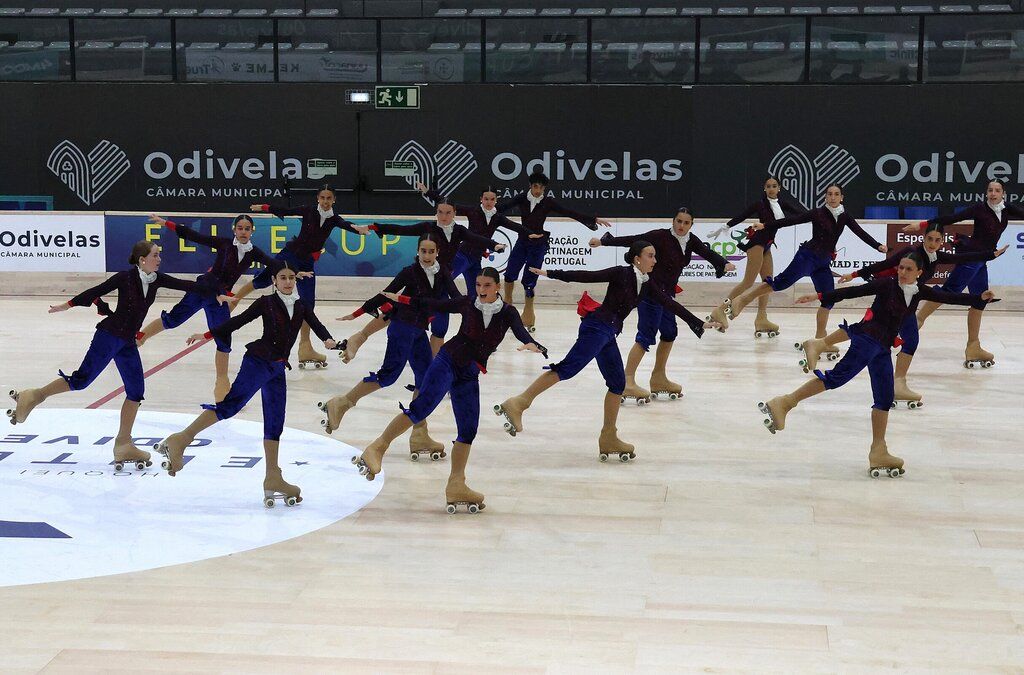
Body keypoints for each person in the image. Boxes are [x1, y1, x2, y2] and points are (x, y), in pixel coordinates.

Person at [758, 250, 997, 477]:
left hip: (882, 348)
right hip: (867, 340)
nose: (902, 272)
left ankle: (878, 451)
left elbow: (949, 297)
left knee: (884, 398)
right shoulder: (887, 285)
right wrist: (819, 296)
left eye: (908, 269)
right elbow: (851, 292)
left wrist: (978, 298)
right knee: (836, 378)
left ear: (919, 272)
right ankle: (785, 402)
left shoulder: (919, 291)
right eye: (901, 267)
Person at [7, 240, 227, 471]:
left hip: (127, 342)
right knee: (81, 380)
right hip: (109, 335)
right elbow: (96, 291)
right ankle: (33, 396)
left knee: (135, 392)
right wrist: (68, 304)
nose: (159, 259)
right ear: (143, 259)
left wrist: (218, 294)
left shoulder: (156, 279)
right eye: (155, 255)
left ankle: (123, 443)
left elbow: (189, 286)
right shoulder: (125, 277)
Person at [494, 240, 718, 462]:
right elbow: (587, 276)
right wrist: (551, 272)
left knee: (618, 384)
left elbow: (671, 304)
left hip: (608, 334)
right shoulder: (622, 273)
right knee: (567, 368)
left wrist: (698, 323)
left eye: (655, 256)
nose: (655, 260)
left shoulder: (647, 283)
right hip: (596, 328)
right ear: (637, 258)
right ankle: (519, 403)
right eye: (650, 255)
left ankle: (609, 437)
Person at [351, 267, 547, 514]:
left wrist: (531, 344)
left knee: (468, 429)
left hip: (469, 373)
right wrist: (401, 299)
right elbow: (432, 304)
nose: (481, 290)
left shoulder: (507, 312)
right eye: (478, 285)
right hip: (447, 362)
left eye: (487, 285)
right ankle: (376, 448)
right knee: (421, 407)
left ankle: (456, 485)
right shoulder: (467, 303)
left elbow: (520, 332)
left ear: (497, 287)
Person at [154, 262, 337, 507]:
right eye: (282, 278)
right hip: (258, 362)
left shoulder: (302, 305)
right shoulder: (266, 302)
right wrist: (208, 335)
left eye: (291, 278)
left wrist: (329, 340)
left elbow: (317, 325)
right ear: (274, 281)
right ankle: (181, 439)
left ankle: (273, 476)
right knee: (230, 406)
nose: (288, 282)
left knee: (275, 423)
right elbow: (237, 321)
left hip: (278, 367)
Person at [320, 234, 461, 460]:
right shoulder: (409, 271)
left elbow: (455, 298)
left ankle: (419, 434)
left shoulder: (442, 272)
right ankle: (342, 403)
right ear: (418, 252)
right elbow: (385, 294)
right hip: (402, 328)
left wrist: (473, 305)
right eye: (423, 251)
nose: (426, 256)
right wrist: (358, 313)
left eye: (431, 252)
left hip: (418, 332)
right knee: (388, 376)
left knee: (425, 378)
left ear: (437, 253)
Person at [589, 207, 732, 402]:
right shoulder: (660, 236)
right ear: (673, 221)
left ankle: (658, 377)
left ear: (691, 224)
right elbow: (634, 240)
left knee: (669, 333)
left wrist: (723, 263)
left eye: (686, 222)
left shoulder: (691, 241)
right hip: (651, 292)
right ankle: (626, 381)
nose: (681, 226)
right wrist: (604, 242)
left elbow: (706, 252)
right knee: (646, 336)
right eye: (678, 221)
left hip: (668, 294)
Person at [137, 214, 282, 400]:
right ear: (234, 230)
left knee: (224, 340)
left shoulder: (254, 252)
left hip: (220, 299)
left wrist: (295, 271)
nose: (243, 232)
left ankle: (222, 385)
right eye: (240, 228)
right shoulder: (224, 244)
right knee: (172, 320)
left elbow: (275, 264)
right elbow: (194, 235)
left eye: (247, 228)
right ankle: (139, 338)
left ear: (252, 231)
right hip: (202, 289)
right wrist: (167, 223)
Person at [904, 179, 1023, 368]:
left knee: (980, 299)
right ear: (986, 193)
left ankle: (973, 346)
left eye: (997, 190)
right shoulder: (979, 208)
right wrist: (923, 224)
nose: (993, 193)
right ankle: (918, 320)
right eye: (990, 190)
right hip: (971, 256)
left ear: (1003, 193)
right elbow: (951, 219)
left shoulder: (1007, 209)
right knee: (951, 290)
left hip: (982, 259)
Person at [498, 171, 612, 331]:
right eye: (535, 187)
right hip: (522, 241)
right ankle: (507, 306)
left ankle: (528, 314)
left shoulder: (548, 202)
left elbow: (569, 212)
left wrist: (593, 219)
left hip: (538, 245)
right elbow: (502, 208)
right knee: (509, 275)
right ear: (530, 186)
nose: (538, 191)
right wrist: (486, 208)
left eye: (541, 188)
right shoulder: (522, 198)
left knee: (529, 281)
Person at [708, 175, 803, 338]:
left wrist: (819, 218)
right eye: (768, 186)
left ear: (779, 188)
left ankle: (761, 318)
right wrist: (725, 226)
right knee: (748, 282)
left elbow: (802, 215)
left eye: (774, 186)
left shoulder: (782, 204)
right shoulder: (760, 204)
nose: (771, 188)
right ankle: (719, 311)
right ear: (764, 189)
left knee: (767, 283)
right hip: (756, 243)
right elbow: (742, 215)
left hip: (767, 244)